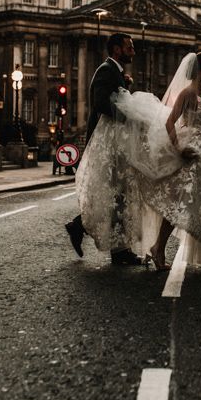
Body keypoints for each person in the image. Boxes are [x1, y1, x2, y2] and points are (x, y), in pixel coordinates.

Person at [112, 51, 201, 271]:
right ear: (200, 70)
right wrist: (179, 148)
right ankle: (160, 248)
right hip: (194, 154)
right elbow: (169, 122)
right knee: (181, 202)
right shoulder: (188, 93)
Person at [66, 33, 143, 265]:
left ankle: (112, 246)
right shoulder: (106, 70)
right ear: (117, 49)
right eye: (129, 47)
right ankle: (112, 247)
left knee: (118, 195)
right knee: (113, 195)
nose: (133, 51)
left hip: (114, 143)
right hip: (105, 145)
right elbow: (100, 103)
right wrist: (129, 113)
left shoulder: (115, 72)